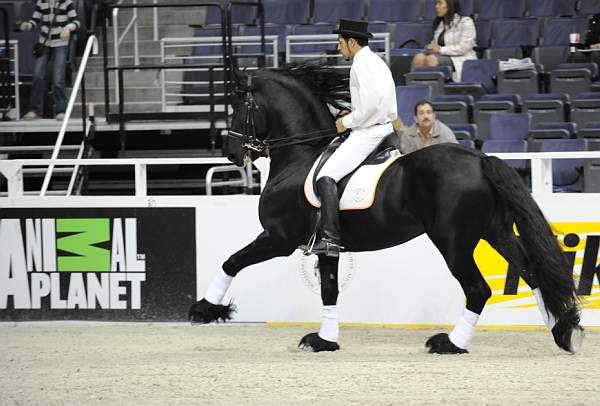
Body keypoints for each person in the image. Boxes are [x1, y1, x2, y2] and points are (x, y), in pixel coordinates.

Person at [311, 19, 398, 257]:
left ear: (351, 42)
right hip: (384, 127)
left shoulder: (360, 65)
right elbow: (375, 103)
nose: (339, 48)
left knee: (325, 176)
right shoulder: (376, 61)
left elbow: (370, 108)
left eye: (340, 43)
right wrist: (351, 113)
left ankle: (330, 239)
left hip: (368, 133)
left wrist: (345, 122)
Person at [20, 0, 80, 121]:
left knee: (58, 79)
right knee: (37, 76)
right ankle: (35, 110)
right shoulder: (41, 2)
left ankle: (61, 110)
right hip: (44, 43)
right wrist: (27, 25)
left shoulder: (66, 2)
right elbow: (34, 21)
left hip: (61, 43)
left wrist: (68, 28)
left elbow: (76, 22)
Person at [410, 0, 476, 81]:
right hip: (442, 55)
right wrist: (430, 47)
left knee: (431, 60)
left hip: (461, 58)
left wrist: (440, 50)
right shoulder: (440, 24)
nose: (436, 7)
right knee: (419, 57)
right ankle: (415, 86)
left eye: (440, 3)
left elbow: (464, 48)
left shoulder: (466, 22)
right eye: (436, 3)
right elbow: (435, 44)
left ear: (450, 4)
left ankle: (433, 87)